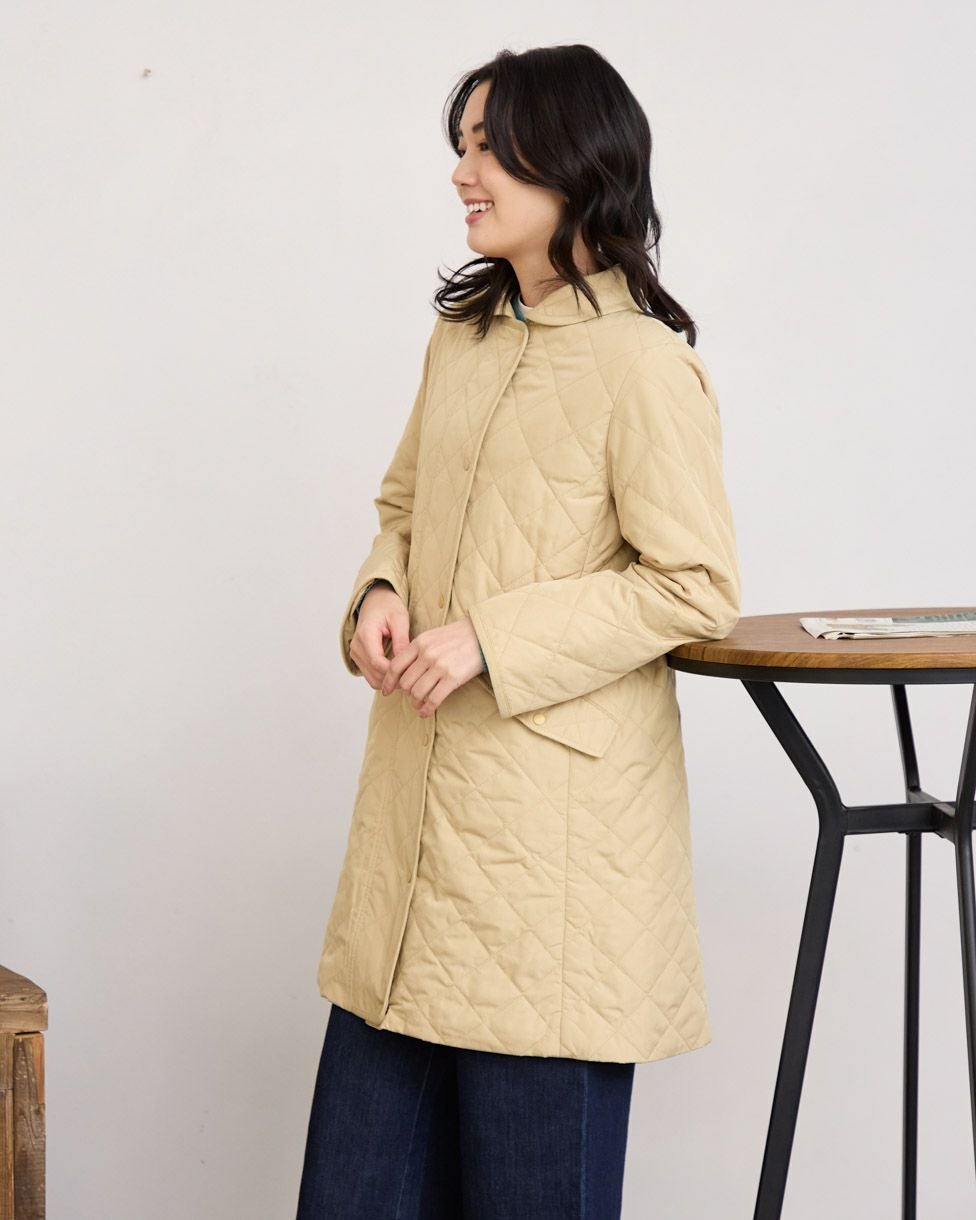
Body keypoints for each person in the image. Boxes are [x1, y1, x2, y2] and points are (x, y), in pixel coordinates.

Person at [296, 42, 742, 1220]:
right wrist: (380, 594)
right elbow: (401, 506)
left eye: (489, 147)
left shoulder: (645, 366)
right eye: (462, 147)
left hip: (551, 884)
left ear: (571, 156)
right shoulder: (464, 338)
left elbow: (695, 583)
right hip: (411, 867)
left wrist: (491, 634)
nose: (463, 172)